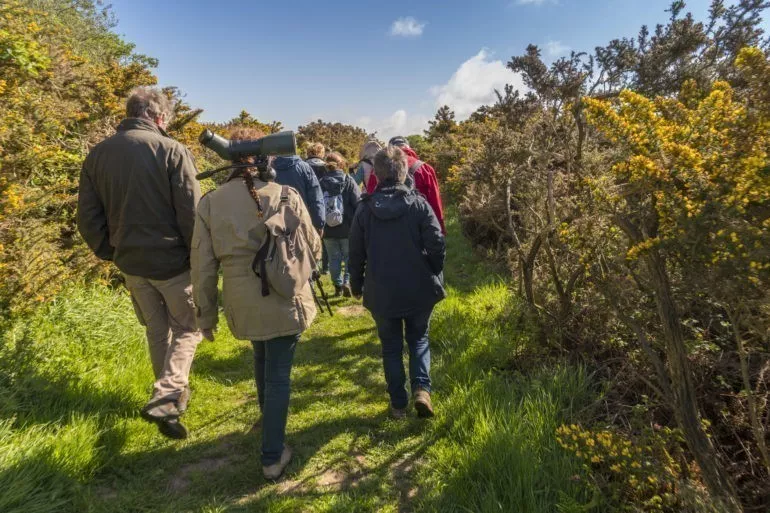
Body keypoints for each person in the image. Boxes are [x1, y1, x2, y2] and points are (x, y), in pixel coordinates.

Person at [191, 127, 322, 480]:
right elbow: (314, 249)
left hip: (240, 302)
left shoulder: (210, 203)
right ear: (266, 157)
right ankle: (272, 455)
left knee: (261, 356)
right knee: (278, 373)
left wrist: (205, 315)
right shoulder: (287, 194)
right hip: (284, 296)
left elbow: (202, 266)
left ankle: (269, 426)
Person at [77, 86, 202, 440]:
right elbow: (191, 212)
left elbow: (87, 216)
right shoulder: (172, 150)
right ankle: (167, 394)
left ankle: (167, 405)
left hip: (130, 261)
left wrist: (110, 252)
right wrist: (199, 257)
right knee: (188, 328)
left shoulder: (98, 155)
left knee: (156, 330)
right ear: (158, 116)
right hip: (172, 261)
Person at [350, 145, 446, 419]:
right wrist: (433, 269)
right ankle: (421, 390)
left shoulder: (365, 209)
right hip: (418, 285)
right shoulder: (418, 204)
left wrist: (356, 285)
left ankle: (398, 403)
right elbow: (437, 242)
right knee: (418, 340)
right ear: (404, 171)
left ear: (376, 175)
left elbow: (356, 252)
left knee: (390, 346)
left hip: (382, 290)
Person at [366, 136, 446, 234]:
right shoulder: (425, 169)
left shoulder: (378, 169)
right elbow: (435, 202)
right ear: (409, 148)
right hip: (419, 229)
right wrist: (439, 229)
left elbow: (371, 197)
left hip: (384, 230)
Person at [319, 152, 361, 297]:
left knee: (333, 259)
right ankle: (346, 281)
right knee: (349, 257)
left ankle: (337, 285)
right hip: (347, 227)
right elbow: (358, 203)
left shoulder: (321, 182)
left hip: (328, 230)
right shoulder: (348, 180)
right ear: (341, 164)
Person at [272, 152, 325, 232]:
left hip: (276, 224)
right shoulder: (304, 167)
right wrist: (319, 223)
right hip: (302, 221)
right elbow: (315, 198)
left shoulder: (269, 169)